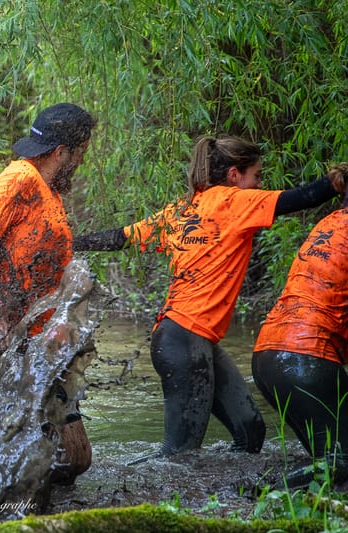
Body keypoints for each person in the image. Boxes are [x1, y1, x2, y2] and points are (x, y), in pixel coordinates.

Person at [73, 135, 345, 459]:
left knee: (250, 430)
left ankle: (226, 495)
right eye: (256, 176)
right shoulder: (235, 201)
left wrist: (71, 243)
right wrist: (337, 182)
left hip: (182, 339)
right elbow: (301, 198)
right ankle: (137, 496)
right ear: (234, 176)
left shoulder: (181, 210)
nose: (260, 185)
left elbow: (120, 237)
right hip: (184, 341)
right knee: (179, 455)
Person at [0, 102, 96, 483]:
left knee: (73, 457)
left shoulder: (46, 190)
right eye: (81, 153)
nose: (81, 162)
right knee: (64, 458)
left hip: (48, 345)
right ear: (61, 152)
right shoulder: (19, 178)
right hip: (22, 345)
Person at [252, 163, 347, 487]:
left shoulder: (330, 222)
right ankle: (264, 494)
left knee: (330, 460)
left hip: (269, 356)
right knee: (341, 462)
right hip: (304, 359)